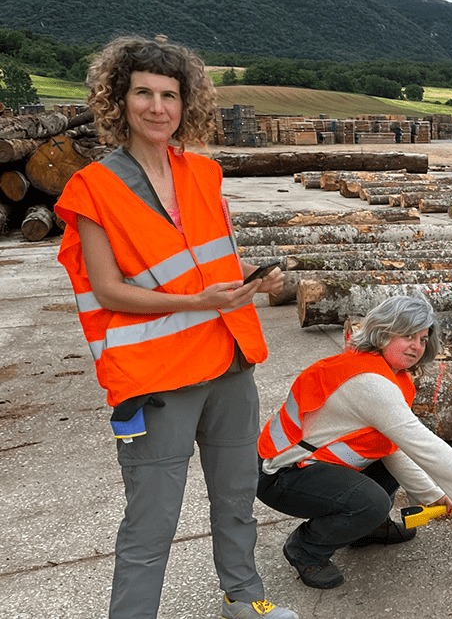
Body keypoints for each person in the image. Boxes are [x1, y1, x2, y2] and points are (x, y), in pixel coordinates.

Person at [54, 35, 297, 619]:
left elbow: (212, 263)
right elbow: (107, 289)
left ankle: (244, 599)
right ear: (118, 100)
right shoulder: (93, 187)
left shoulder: (204, 174)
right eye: (143, 93)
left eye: (170, 94)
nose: (157, 107)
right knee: (152, 520)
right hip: (156, 378)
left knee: (236, 498)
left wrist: (250, 284)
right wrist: (198, 302)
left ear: (186, 104)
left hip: (229, 361)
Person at [256, 296, 452, 589]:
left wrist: (434, 495)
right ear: (384, 333)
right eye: (408, 336)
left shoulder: (383, 371)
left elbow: (393, 448)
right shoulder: (368, 382)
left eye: (423, 339)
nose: (417, 346)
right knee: (369, 503)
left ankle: (364, 529)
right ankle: (306, 549)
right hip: (279, 474)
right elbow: (422, 444)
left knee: (381, 471)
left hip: (310, 464)